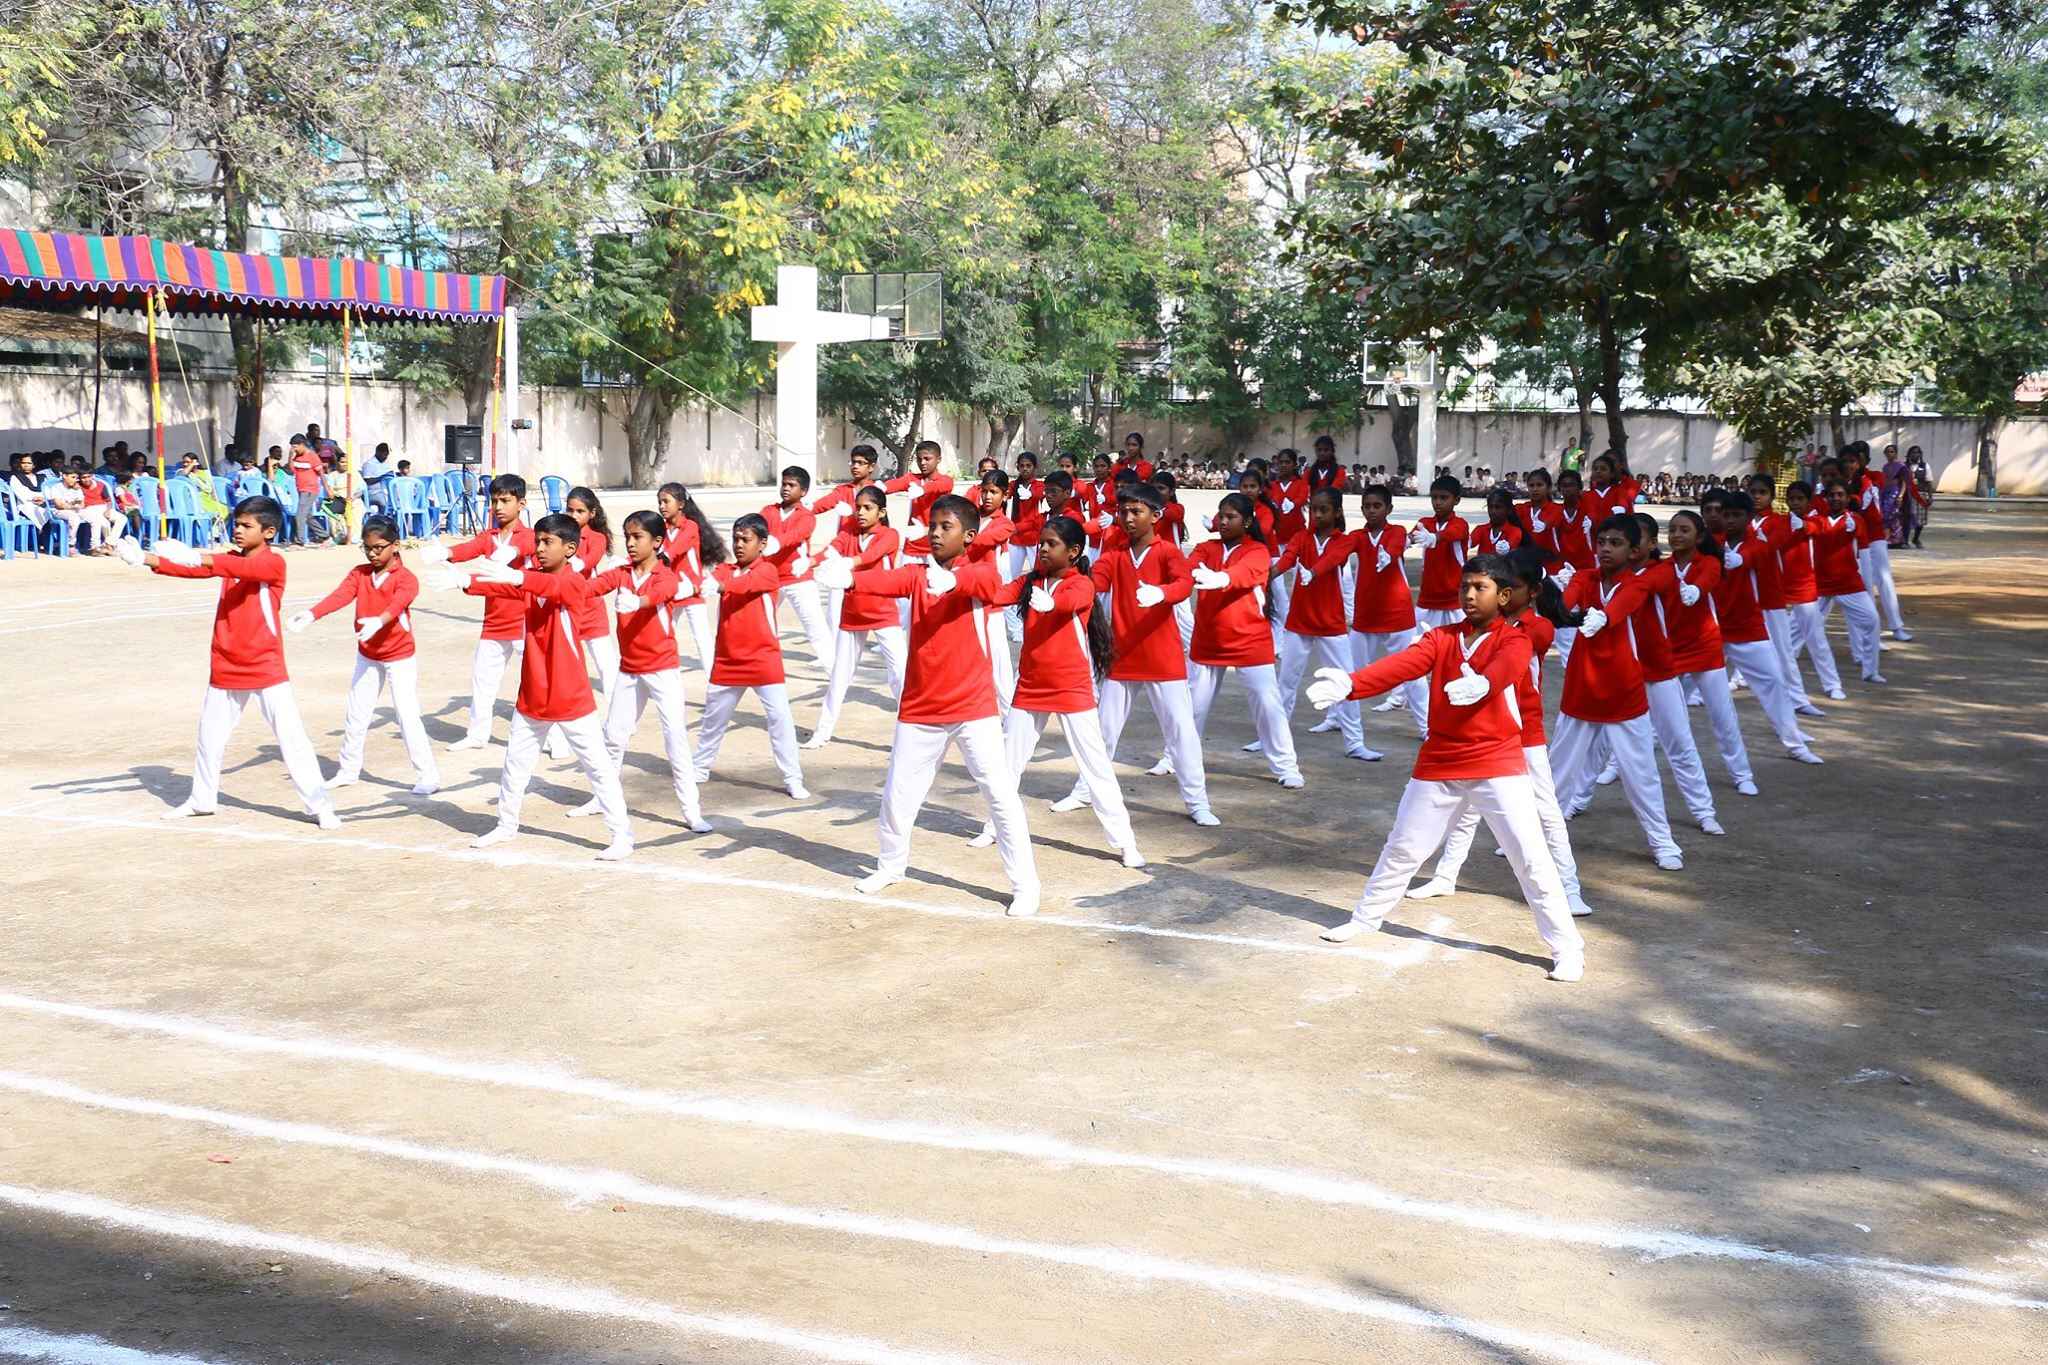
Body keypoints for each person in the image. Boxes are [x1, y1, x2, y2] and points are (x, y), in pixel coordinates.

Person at [1308, 554, 1585, 980]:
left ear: (1504, 596)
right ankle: (1366, 919)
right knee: (1403, 847)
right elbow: (1401, 665)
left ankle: (1568, 948)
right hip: (1440, 761)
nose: (1470, 596)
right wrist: (1351, 684)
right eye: (1465, 588)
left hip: (1497, 763)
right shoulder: (1440, 637)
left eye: (1481, 588)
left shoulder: (1515, 639)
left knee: (1530, 858)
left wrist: (1486, 683)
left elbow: (1507, 669)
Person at [813, 493, 1041, 915]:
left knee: (1000, 796)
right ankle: (890, 865)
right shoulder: (918, 575)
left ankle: (1025, 886)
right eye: (933, 525)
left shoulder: (981, 572)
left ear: (969, 536)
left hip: (973, 708)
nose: (935, 533)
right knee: (899, 794)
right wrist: (848, 578)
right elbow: (887, 581)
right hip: (921, 708)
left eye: (946, 527)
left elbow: (987, 586)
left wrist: (954, 581)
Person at [112, 496, 339, 829]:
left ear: (269, 531)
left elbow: (236, 568)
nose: (238, 530)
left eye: (247, 526)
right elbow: (200, 569)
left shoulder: (273, 563)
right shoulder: (231, 560)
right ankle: (202, 800)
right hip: (225, 663)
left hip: (265, 666)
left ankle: (319, 806)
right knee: (209, 739)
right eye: (236, 523)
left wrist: (195, 555)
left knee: (293, 740)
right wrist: (145, 559)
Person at [1406, 548, 1593, 918]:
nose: (1501, 593)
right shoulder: (1481, 628)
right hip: (1482, 733)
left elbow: (1511, 650)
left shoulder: (1536, 628)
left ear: (1531, 592)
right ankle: (1446, 875)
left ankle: (1569, 887)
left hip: (1525, 732)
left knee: (1546, 811)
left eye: (1512, 588)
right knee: (1463, 810)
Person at [457, 514, 633, 860]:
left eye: (547, 542)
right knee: (514, 766)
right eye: (537, 541)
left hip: (571, 697)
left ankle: (621, 835)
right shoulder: (531, 581)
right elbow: (504, 587)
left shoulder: (574, 584)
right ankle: (506, 826)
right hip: (533, 694)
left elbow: (547, 588)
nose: (538, 548)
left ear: (570, 549)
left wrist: (518, 576)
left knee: (598, 768)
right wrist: (464, 580)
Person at [976, 514, 1147, 861]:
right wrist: (958, 584)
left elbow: (1074, 601)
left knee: (1095, 766)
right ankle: (993, 827)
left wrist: (1053, 604)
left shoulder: (1079, 583)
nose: (1041, 548)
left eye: (1050, 544)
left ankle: (1125, 842)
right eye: (1041, 542)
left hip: (1072, 688)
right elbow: (995, 595)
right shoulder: (1029, 582)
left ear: (1073, 552)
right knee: (1008, 764)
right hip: (1031, 686)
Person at [1050, 480, 1217, 826]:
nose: (1127, 518)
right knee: (1102, 733)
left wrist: (1164, 593)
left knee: (1181, 732)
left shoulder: (1169, 552)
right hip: (1122, 657)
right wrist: (1065, 577)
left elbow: (1184, 584)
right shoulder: (1114, 555)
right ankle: (1084, 791)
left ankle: (1197, 801)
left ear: (1155, 516)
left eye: (1135, 512)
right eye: (1122, 511)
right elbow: (1094, 584)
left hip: (1163, 660)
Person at [1550, 514, 1684, 869]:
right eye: (1602, 542)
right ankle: (1537, 835)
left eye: (1616, 543)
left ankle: (1662, 842)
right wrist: (1560, 604)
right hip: (1581, 690)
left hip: (1624, 694)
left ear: (1635, 550)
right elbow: (1567, 601)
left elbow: (1623, 606)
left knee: (1642, 775)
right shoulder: (1585, 577)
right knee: (1557, 771)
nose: (1606, 549)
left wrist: (1605, 618)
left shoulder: (1637, 584)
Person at [568, 509, 711, 834]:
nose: (630, 544)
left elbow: (662, 593)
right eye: (628, 537)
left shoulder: (666, 576)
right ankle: (600, 798)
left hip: (662, 670)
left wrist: (640, 601)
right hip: (630, 671)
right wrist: (558, 577)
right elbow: (591, 588)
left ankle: (692, 811)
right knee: (614, 738)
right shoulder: (621, 573)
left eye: (638, 537)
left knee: (675, 738)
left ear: (657, 542)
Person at [288, 515, 439, 796]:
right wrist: (312, 614)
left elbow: (398, 604)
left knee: (407, 715)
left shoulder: (406, 579)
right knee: (356, 713)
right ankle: (348, 770)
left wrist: (379, 621)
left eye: (379, 547)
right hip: (367, 654)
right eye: (367, 548)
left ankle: (427, 774)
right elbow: (340, 596)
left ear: (395, 546)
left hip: (399, 656)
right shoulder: (359, 573)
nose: (372, 553)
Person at [1187, 492, 1304, 788]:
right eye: (1221, 516)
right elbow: (1189, 565)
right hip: (1208, 639)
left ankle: (1286, 766)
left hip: (1248, 640)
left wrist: (1222, 578)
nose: (1223, 522)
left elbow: (1245, 573)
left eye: (1231, 517)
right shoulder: (1206, 547)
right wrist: (1194, 573)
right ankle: (1177, 756)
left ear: (1248, 521)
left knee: (1268, 705)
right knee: (1193, 707)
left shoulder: (1258, 551)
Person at [691, 513, 808, 800]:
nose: (739, 545)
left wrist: (719, 585)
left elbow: (746, 585)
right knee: (713, 720)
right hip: (728, 660)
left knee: (780, 719)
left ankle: (793, 778)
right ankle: (699, 768)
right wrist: (700, 582)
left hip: (763, 659)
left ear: (763, 543)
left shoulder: (768, 571)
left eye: (746, 539)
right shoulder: (725, 570)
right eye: (736, 539)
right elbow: (713, 579)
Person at [420, 473, 534, 750]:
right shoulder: (489, 537)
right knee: (483, 681)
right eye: (494, 501)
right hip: (494, 622)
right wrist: (444, 553)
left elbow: (530, 547)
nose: (498, 507)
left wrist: (515, 550)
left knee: (535, 681)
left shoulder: (530, 537)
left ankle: (552, 736)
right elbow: (469, 549)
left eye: (505, 501)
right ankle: (477, 735)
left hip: (524, 621)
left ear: (521, 504)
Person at [1716, 493, 1825, 765]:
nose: (1729, 520)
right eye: (1725, 515)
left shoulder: (1759, 545)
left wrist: (1738, 560)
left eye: (1736, 515)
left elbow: (1752, 556)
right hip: (1711, 630)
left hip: (1747, 630)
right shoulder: (1712, 543)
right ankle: (1644, 746)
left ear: (1748, 517)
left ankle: (1795, 744)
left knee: (1774, 684)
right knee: (1670, 688)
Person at [1272, 487, 1375, 760]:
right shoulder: (1300, 538)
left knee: (1345, 683)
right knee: (1286, 683)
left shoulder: (1344, 540)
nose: (1317, 515)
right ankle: (1273, 738)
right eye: (1313, 509)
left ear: (1337, 512)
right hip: (1299, 624)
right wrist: (1263, 577)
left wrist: (1313, 572)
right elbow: (1285, 561)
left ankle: (1355, 742)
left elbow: (1333, 560)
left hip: (1331, 625)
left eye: (1323, 510)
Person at [806, 485, 908, 748]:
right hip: (853, 612)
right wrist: (810, 561)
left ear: (881, 511)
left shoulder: (890, 535)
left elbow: (870, 556)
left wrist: (847, 565)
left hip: (883, 612)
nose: (860, 512)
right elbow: (832, 549)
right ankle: (823, 731)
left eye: (868, 508)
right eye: (858, 507)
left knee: (899, 675)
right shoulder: (849, 531)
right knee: (840, 676)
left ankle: (910, 731)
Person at [1345, 482, 1430, 736]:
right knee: (1348, 671)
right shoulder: (1358, 537)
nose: (1372, 511)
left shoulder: (1397, 532)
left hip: (1397, 617)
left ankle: (1427, 727)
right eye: (1367, 507)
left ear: (1389, 508)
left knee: (1413, 673)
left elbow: (1395, 545)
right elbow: (1338, 551)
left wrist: (1389, 556)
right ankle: (1339, 717)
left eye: (1377, 506)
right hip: (1365, 618)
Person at [760, 465, 833, 670]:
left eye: (791, 485)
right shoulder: (769, 511)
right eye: (784, 484)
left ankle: (833, 669)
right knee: (762, 622)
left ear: (803, 492)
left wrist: (776, 543)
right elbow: (756, 530)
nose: (785, 488)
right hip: (770, 578)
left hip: (797, 578)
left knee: (815, 626)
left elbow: (795, 536)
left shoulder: (806, 516)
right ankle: (764, 663)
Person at [1813, 480, 1885, 684]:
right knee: (1797, 626)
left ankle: (1870, 671)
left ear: (1847, 498)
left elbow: (1864, 554)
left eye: (1840, 495)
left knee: (1872, 620)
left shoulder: (1856, 521)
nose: (1836, 498)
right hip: (1820, 584)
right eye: (1832, 495)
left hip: (1848, 583)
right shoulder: (1817, 521)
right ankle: (1783, 663)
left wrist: (1867, 585)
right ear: (1826, 498)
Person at [657, 481, 725, 674]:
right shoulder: (661, 528)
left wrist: (665, 555)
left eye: (666, 502)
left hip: (691, 590)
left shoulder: (690, 527)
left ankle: (715, 683)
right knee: (663, 635)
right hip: (671, 591)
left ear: (680, 504)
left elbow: (678, 547)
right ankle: (664, 674)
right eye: (659, 502)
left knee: (702, 639)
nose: (662, 506)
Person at [1410, 475, 1470, 629]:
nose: (1438, 502)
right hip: (1428, 597)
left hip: (1454, 599)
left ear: (1456, 500)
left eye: (1444, 498)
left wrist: (1434, 537)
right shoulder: (1425, 523)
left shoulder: (1460, 524)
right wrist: (1399, 545)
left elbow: (1453, 533)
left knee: (1456, 647)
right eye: (1434, 497)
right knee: (1420, 643)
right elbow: (1410, 538)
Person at [286, 434, 325, 547]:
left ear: (302, 445)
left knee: (300, 514)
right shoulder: (296, 457)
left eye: (295, 447)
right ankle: (324, 535)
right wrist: (290, 456)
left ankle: (299, 541)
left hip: (310, 489)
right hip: (300, 489)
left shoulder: (312, 456)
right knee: (307, 515)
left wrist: (327, 489)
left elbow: (321, 473)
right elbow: (292, 469)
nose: (294, 449)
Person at [1473, 486, 1524, 556]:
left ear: (1508, 510)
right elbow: (1468, 542)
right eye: (1490, 507)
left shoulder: (1515, 531)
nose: (1493, 511)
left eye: (1498, 507)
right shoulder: (1480, 529)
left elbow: (1509, 545)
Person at [358, 442, 397, 515]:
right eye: (384, 454)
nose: (386, 457)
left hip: (386, 491)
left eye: (387, 455)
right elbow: (367, 481)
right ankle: (383, 520)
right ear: (378, 452)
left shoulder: (386, 464)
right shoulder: (369, 464)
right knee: (385, 500)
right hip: (373, 492)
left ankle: (395, 522)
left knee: (399, 499)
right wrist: (382, 477)